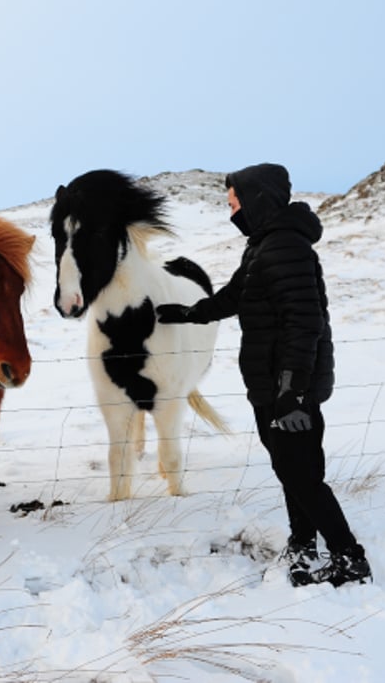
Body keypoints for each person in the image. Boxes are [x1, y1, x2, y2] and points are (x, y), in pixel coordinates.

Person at [156, 163, 372, 588]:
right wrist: (188, 313)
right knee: (289, 471)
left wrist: (292, 391)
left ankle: (350, 558)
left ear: (256, 200)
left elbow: (303, 322)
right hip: (268, 385)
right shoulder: (263, 247)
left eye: (234, 202)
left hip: (288, 387)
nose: (231, 211)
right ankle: (304, 543)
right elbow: (235, 296)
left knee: (304, 477)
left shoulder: (286, 247)